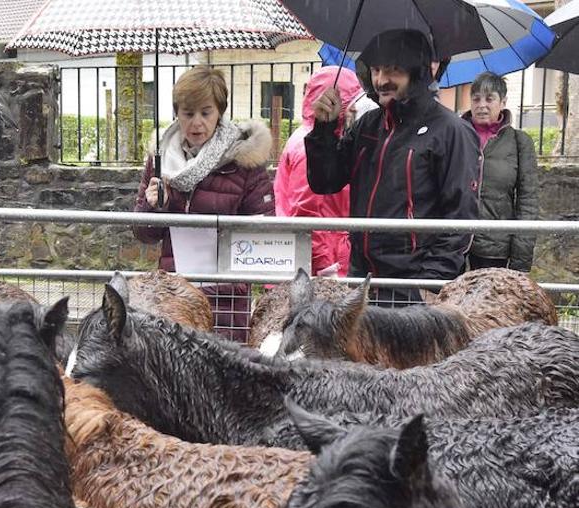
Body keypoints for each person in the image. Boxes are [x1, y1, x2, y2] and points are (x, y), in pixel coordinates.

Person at [306, 29, 480, 306]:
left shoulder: (451, 131)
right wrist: (325, 129)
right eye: (376, 69)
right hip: (362, 281)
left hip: (413, 287)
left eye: (394, 70)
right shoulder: (368, 125)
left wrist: (430, 285)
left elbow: (461, 218)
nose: (381, 80)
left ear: (416, 72)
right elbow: (326, 181)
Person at [132, 66, 274, 342]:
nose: (196, 122)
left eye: (205, 112)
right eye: (188, 113)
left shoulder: (244, 161)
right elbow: (143, 233)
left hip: (225, 298)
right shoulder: (160, 158)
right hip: (176, 294)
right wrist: (154, 206)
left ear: (219, 112)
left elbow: (264, 230)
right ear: (177, 113)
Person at [274, 66, 364, 278]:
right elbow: (307, 215)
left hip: (325, 254)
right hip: (325, 262)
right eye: (350, 104)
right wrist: (326, 268)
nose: (354, 111)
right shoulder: (311, 148)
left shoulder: (311, 139)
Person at [462, 72, 538, 272]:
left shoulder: (519, 143)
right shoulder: (455, 135)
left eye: (489, 98)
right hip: (454, 245)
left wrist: (520, 262)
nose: (481, 105)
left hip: (494, 249)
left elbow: (528, 202)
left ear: (502, 102)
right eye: (476, 98)